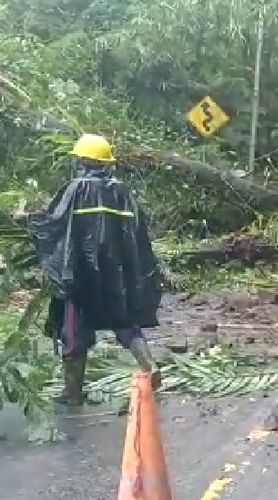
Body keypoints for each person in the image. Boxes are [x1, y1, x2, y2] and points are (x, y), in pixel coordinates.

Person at [30, 133, 163, 405]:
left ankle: (73, 393)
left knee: (73, 329)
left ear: (84, 160)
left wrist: (31, 222)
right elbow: (138, 233)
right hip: (116, 276)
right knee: (124, 322)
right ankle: (150, 365)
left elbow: (54, 224)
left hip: (80, 275)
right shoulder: (122, 192)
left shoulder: (76, 189)